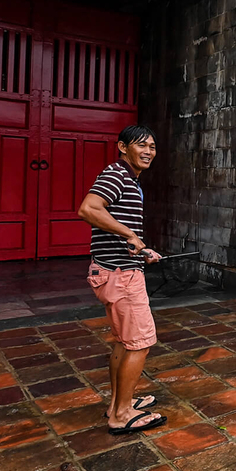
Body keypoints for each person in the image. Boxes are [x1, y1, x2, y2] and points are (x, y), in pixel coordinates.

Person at [77, 125, 166, 435]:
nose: (148, 151)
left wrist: (141, 250)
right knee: (140, 344)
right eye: (141, 145)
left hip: (118, 268)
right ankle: (122, 414)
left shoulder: (129, 179)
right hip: (121, 276)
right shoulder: (117, 174)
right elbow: (88, 208)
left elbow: (116, 232)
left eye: (153, 146)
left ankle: (118, 402)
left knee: (123, 343)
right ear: (122, 147)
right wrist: (130, 235)